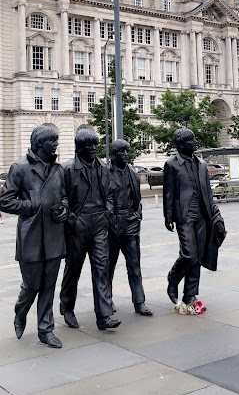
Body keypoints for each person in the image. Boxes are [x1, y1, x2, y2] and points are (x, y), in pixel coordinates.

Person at [0, 125, 68, 348]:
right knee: (31, 285)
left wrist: (64, 208)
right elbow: (5, 200)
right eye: (53, 141)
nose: (56, 144)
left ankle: (45, 329)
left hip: (54, 236)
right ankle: (20, 312)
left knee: (49, 285)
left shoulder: (58, 169)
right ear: (40, 144)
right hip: (31, 236)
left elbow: (65, 197)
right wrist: (30, 205)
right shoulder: (20, 168)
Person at [60, 128, 121, 331]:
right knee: (73, 269)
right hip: (78, 225)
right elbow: (62, 199)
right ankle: (67, 308)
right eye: (89, 145)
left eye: (96, 144)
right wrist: (72, 220)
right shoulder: (68, 169)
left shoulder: (103, 168)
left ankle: (103, 316)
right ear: (79, 147)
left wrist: (108, 212)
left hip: (99, 224)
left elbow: (110, 194)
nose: (94, 148)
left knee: (101, 269)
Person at [163, 127, 225, 306]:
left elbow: (208, 194)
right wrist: (168, 217)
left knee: (197, 256)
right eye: (191, 140)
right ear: (181, 144)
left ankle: (190, 295)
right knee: (189, 254)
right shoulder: (172, 164)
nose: (195, 142)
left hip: (202, 215)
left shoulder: (202, 165)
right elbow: (168, 193)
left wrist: (216, 216)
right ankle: (173, 279)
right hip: (184, 215)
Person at [109, 139, 153, 316]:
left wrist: (137, 216)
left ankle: (139, 301)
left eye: (127, 151)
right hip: (112, 226)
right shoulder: (104, 173)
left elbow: (138, 200)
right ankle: (107, 300)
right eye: (121, 151)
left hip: (131, 224)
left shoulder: (133, 174)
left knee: (135, 265)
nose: (125, 154)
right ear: (114, 154)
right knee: (108, 266)